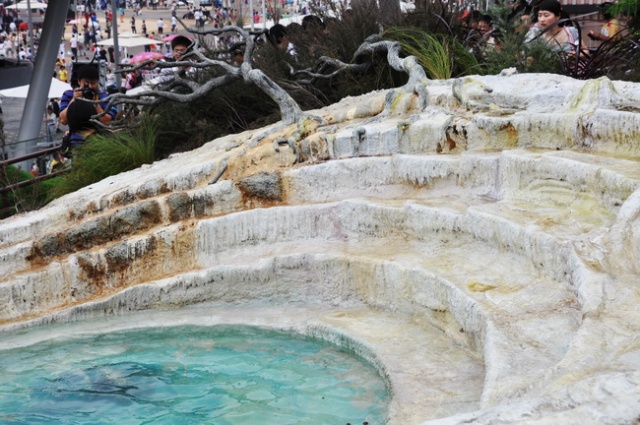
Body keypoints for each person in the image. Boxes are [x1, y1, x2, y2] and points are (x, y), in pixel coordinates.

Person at [59, 65, 118, 153]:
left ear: (98, 82)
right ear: (79, 81)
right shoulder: (68, 95)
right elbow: (63, 120)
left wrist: (95, 103)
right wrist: (74, 100)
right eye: (86, 83)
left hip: (100, 144)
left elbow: (106, 121)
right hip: (75, 146)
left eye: (93, 83)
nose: (90, 86)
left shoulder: (105, 97)